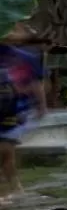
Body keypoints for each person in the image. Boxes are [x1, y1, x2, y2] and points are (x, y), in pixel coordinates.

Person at [0, 37, 47, 196]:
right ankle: (16, 188)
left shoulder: (23, 58)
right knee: (6, 154)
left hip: (13, 112)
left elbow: (35, 83)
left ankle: (13, 189)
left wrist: (41, 105)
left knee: (5, 150)